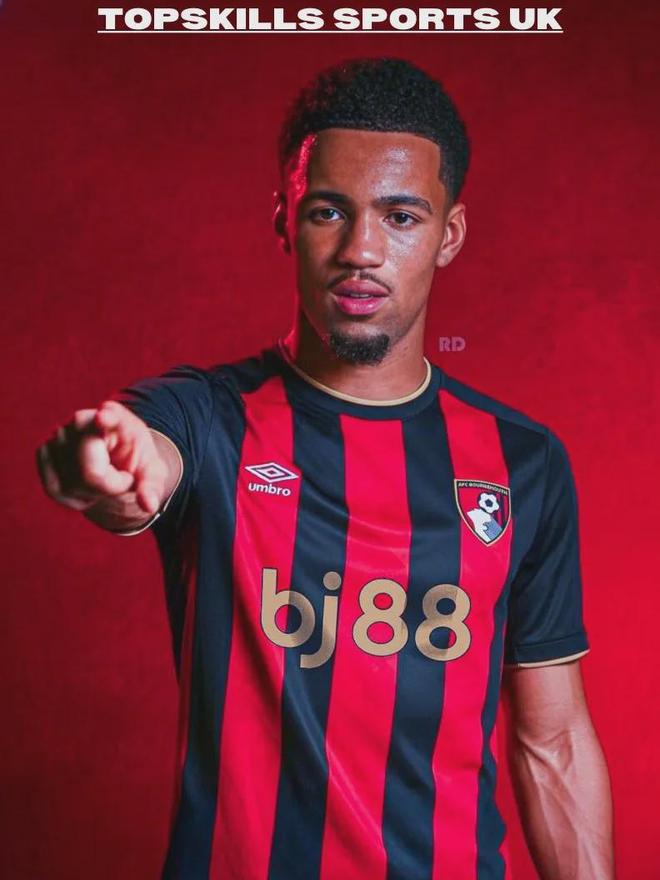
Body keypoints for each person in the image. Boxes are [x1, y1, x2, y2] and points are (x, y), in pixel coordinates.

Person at [36, 58, 615, 880]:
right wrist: (106, 474)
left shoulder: (522, 463)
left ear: (449, 235)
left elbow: (551, 744)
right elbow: (144, 471)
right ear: (285, 219)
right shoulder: (206, 419)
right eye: (329, 211)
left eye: (400, 216)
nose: (361, 250)